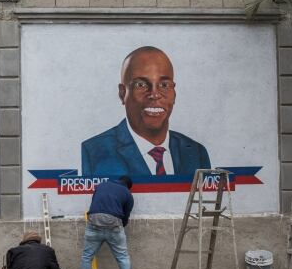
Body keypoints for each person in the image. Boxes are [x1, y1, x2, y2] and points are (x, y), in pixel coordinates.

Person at [81, 46, 210, 176]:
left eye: (164, 85)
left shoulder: (196, 153)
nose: (154, 94)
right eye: (141, 85)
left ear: (174, 94)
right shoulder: (94, 152)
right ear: (122, 93)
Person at [77, 176, 137, 269]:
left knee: (87, 257)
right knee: (123, 259)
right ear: (128, 186)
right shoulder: (128, 194)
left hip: (94, 224)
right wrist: (117, 228)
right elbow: (125, 218)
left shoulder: (101, 186)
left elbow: (94, 204)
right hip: (114, 226)